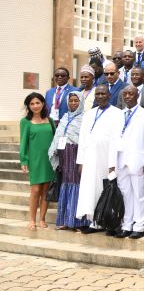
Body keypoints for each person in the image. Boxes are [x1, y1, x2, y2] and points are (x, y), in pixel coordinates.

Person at [75, 84, 124, 233]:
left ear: (109, 96)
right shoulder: (89, 113)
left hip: (106, 158)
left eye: (104, 94)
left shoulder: (117, 113)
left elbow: (116, 139)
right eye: (98, 94)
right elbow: (82, 138)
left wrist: (112, 164)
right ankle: (92, 221)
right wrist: (81, 161)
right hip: (89, 158)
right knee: (89, 189)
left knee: (103, 189)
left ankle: (105, 221)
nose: (101, 96)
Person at [48, 92, 90, 231]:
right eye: (71, 101)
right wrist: (54, 152)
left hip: (77, 154)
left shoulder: (85, 118)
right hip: (64, 155)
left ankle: (77, 222)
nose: (73, 103)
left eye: (76, 101)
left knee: (77, 186)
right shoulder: (65, 116)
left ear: (81, 102)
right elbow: (58, 136)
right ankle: (65, 220)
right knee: (65, 185)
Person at [113, 85, 144, 239]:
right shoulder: (118, 115)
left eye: (131, 94)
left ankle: (139, 226)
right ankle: (126, 224)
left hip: (139, 161)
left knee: (140, 195)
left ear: (137, 96)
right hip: (121, 161)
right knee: (125, 195)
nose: (127, 96)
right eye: (125, 94)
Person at [20, 92, 55, 231]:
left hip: (49, 161)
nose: (35, 106)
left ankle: (42, 219)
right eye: (32, 103)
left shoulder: (50, 120)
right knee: (35, 190)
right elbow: (23, 142)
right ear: (28, 106)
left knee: (46, 190)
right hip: (35, 160)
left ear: (43, 104)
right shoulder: (25, 122)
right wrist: (24, 160)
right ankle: (32, 220)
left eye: (37, 103)